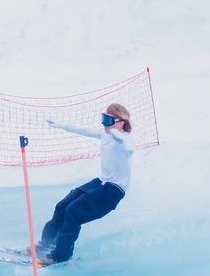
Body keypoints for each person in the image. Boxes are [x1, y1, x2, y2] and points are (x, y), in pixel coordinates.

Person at [31, 103, 136, 266]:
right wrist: (60, 124)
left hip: (114, 189)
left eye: (108, 120)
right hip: (101, 181)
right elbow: (83, 130)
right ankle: (45, 245)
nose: (104, 124)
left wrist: (120, 136)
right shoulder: (105, 135)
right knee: (62, 207)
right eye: (103, 118)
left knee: (74, 212)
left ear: (121, 122)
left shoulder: (125, 139)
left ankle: (61, 256)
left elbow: (129, 148)